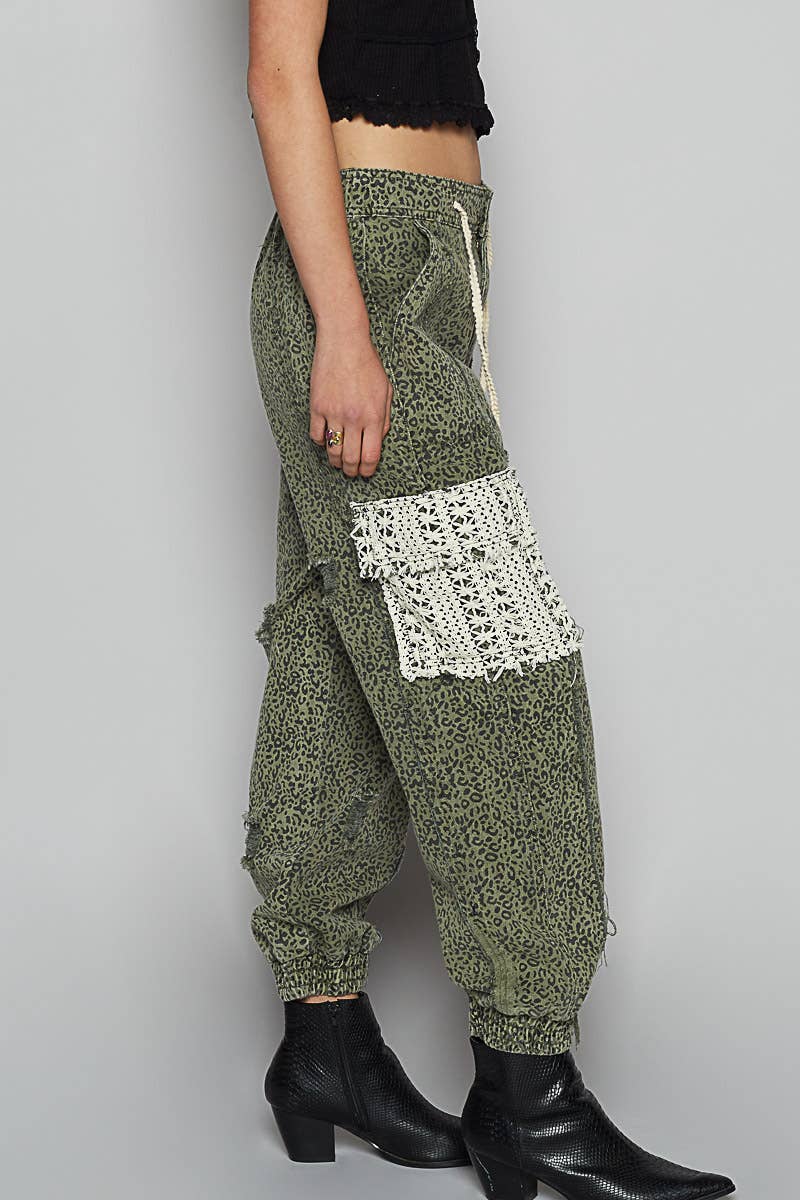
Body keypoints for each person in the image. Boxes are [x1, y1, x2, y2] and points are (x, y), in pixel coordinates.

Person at [242, 3, 736, 1198]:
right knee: (501, 678)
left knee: (337, 654)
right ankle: (528, 1092)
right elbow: (278, 75)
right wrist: (343, 326)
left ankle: (324, 1047)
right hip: (356, 263)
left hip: (429, 249)